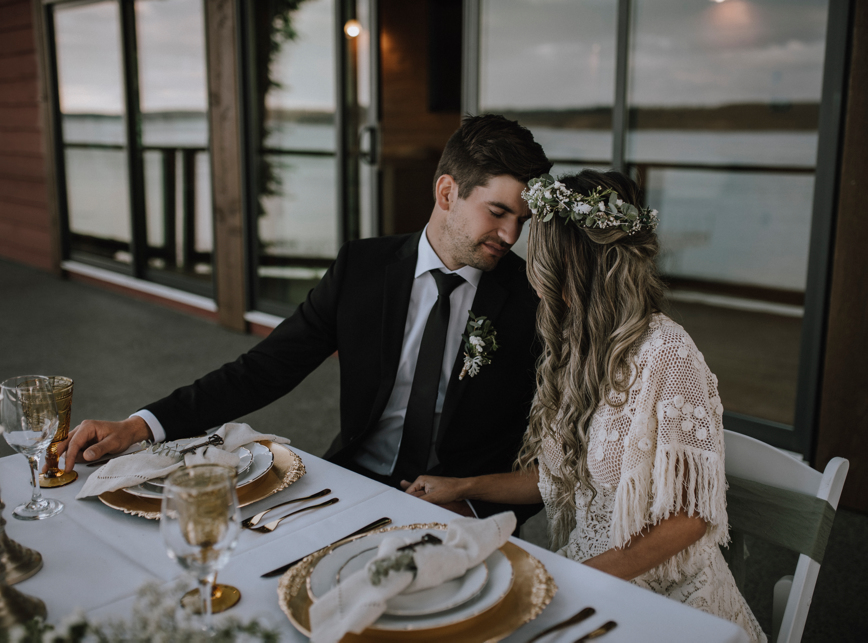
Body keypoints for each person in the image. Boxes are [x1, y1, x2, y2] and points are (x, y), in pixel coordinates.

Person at [60, 114, 551, 523]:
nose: (511, 236)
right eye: (498, 213)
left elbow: (551, 441)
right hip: (351, 478)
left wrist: (475, 502)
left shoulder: (532, 298)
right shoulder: (362, 269)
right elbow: (264, 369)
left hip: (462, 505)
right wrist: (141, 425)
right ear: (447, 193)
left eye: (522, 221)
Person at [404, 169, 767, 641]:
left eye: (541, 255)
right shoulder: (573, 347)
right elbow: (555, 478)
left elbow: (691, 517)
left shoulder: (668, 354)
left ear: (573, 264)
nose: (531, 270)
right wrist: (462, 485)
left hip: (668, 599)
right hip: (591, 575)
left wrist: (577, 579)